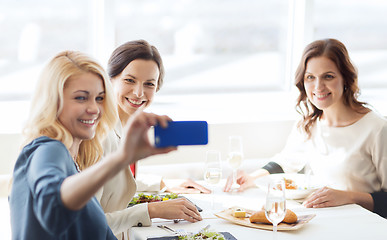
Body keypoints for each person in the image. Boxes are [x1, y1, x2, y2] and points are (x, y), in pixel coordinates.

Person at [9, 50, 176, 240]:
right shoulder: (48, 149)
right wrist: (121, 158)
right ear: (53, 101)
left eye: (100, 98)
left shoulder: (76, 158)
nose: (94, 109)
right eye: (81, 97)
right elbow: (53, 209)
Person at [224, 38, 387, 218]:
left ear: (346, 79)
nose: (318, 87)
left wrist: (349, 197)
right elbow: (286, 162)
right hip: (324, 221)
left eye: (328, 76)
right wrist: (252, 178)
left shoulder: (377, 128)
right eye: (310, 77)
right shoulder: (310, 123)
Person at [96, 40, 202, 240]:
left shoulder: (127, 128)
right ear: (110, 79)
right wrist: (152, 210)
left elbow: (114, 181)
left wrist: (163, 183)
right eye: (129, 80)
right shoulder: (100, 135)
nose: (138, 93)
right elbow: (89, 222)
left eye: (149, 84)